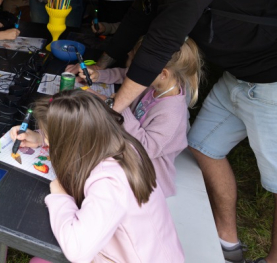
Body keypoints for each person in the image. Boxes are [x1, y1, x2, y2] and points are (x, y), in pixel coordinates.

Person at [85, 0, 277, 263]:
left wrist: (113, 109)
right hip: (239, 76)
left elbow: (161, 42)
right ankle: (227, 243)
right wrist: (101, 65)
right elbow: (137, 19)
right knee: (204, 146)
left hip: (276, 78)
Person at [11, 91, 184, 263]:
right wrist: (40, 137)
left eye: (50, 139)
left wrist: (60, 196)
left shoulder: (109, 182)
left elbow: (77, 250)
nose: (48, 143)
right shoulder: (122, 145)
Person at [74, 37, 203, 197]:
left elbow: (145, 149)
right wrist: (99, 75)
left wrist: (120, 106)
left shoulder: (172, 113)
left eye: (138, 65)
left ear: (163, 73)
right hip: (125, 145)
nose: (129, 56)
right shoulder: (153, 81)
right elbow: (127, 75)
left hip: (143, 176)